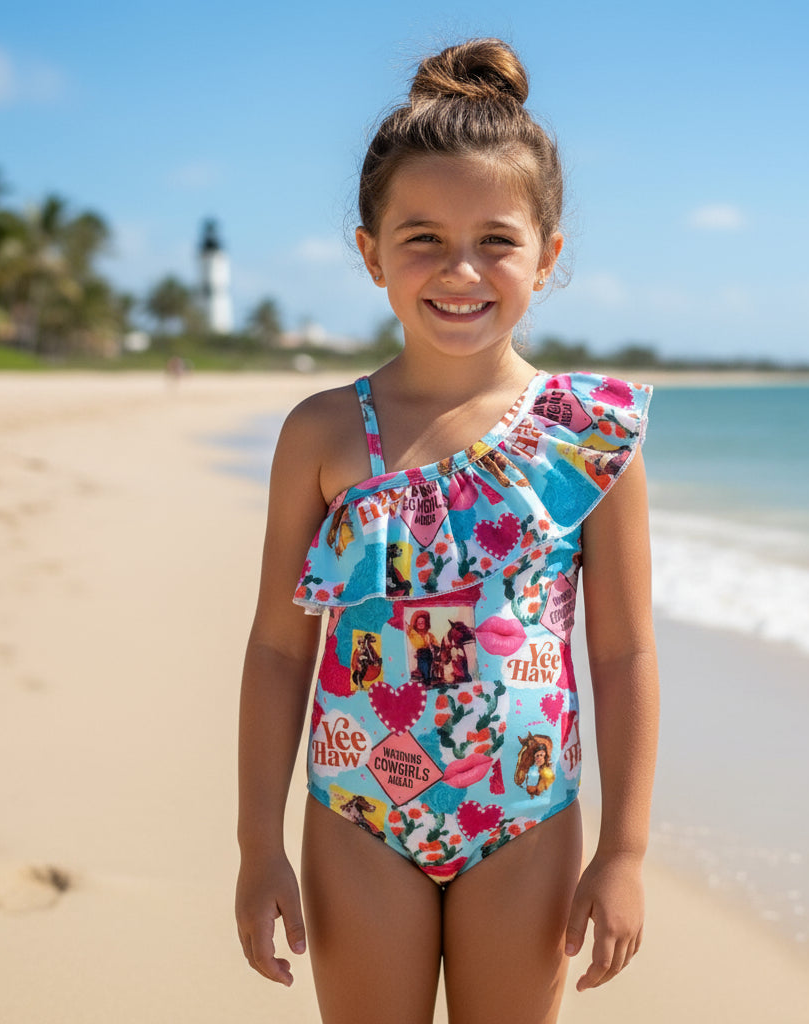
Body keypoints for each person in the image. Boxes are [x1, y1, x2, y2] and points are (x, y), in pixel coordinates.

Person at [235, 37, 659, 1024]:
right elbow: (274, 648)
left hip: (528, 817)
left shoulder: (589, 438)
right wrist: (258, 843)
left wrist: (624, 851)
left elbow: (625, 650)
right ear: (369, 251)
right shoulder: (326, 432)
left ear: (547, 257)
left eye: (497, 240)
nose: (460, 268)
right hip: (355, 817)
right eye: (421, 236)